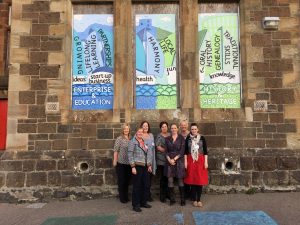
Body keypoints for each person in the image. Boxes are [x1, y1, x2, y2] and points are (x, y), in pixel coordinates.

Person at [128, 127, 153, 212]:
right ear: (136, 132)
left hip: (145, 166)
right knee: (137, 186)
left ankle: (143, 202)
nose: (140, 133)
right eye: (139, 132)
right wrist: (133, 167)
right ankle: (136, 205)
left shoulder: (144, 141)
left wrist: (149, 165)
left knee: (146, 185)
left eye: (141, 132)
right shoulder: (132, 142)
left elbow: (148, 153)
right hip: (137, 166)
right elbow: (130, 154)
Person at [184, 123, 208, 207]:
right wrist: (186, 162)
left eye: (195, 129)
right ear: (190, 130)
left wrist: (206, 162)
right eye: (192, 129)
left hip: (200, 160)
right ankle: (194, 199)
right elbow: (185, 152)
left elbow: (205, 151)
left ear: (198, 130)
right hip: (191, 160)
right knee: (192, 180)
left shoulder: (202, 138)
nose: (193, 130)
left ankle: (199, 199)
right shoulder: (188, 138)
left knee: (199, 180)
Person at [165, 123, 186, 206]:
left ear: (178, 129)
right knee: (170, 180)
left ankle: (182, 199)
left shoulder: (181, 138)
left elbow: (182, 151)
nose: (173, 129)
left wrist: (175, 159)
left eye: (175, 128)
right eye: (172, 128)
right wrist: (169, 160)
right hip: (169, 161)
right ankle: (172, 199)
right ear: (171, 129)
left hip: (179, 161)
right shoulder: (167, 139)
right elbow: (166, 151)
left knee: (180, 179)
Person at [113, 123, 131, 203]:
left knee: (127, 181)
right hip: (121, 163)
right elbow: (116, 150)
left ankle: (126, 196)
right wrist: (115, 161)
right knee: (122, 181)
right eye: (125, 129)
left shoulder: (131, 138)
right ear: (122, 130)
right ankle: (122, 197)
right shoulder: (119, 139)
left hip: (129, 164)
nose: (126, 130)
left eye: (127, 129)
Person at [140, 121, 156, 202]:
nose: (145, 127)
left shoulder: (151, 135)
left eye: (147, 126)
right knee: (143, 180)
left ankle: (148, 194)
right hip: (143, 161)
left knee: (149, 179)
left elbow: (153, 148)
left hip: (151, 160)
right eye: (144, 126)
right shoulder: (140, 136)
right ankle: (144, 196)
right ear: (141, 127)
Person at [155, 121, 170, 203]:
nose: (164, 128)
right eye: (163, 127)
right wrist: (167, 151)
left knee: (168, 178)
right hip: (161, 160)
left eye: (165, 126)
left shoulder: (170, 135)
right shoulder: (159, 136)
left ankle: (168, 194)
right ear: (160, 128)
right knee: (162, 178)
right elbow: (158, 147)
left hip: (169, 160)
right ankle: (162, 196)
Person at [179, 119, 191, 200]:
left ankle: (191, 193)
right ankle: (185, 194)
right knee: (183, 176)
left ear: (187, 125)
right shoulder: (179, 135)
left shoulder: (191, 134)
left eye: (185, 125)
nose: (183, 126)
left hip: (190, 157)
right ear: (180, 126)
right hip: (181, 158)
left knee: (190, 174)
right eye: (182, 125)